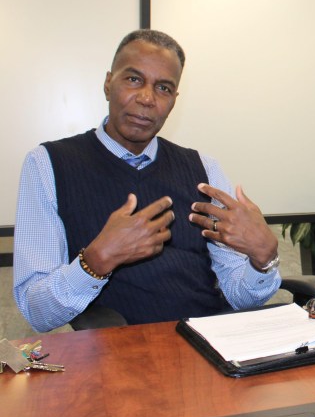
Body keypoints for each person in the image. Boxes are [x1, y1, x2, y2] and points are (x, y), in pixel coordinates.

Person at [13, 29, 282, 331]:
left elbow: (241, 297)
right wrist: (96, 261)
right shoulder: (48, 163)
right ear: (107, 84)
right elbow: (35, 310)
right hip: (119, 356)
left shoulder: (204, 169)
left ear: (174, 100)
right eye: (133, 79)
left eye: (163, 88)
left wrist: (263, 260)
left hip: (209, 345)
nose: (146, 98)